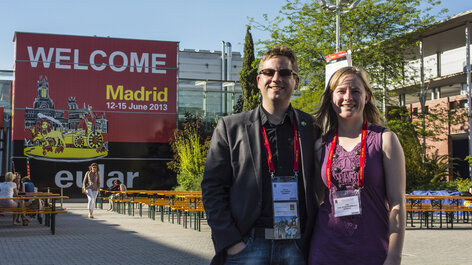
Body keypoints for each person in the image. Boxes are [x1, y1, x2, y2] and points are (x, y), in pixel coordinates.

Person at [202, 45, 322, 265]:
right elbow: (212, 189)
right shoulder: (231, 127)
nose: (276, 78)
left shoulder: (311, 128)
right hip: (248, 245)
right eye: (269, 72)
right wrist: (231, 243)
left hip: (296, 247)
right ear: (259, 81)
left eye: (285, 73)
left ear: (296, 81)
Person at [308, 66, 406, 265]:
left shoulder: (384, 140)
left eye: (355, 91)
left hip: (371, 250)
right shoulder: (321, 145)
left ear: (367, 97)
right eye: (341, 91)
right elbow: (316, 199)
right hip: (326, 250)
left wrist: (394, 256)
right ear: (331, 97)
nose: (348, 97)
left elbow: (397, 201)